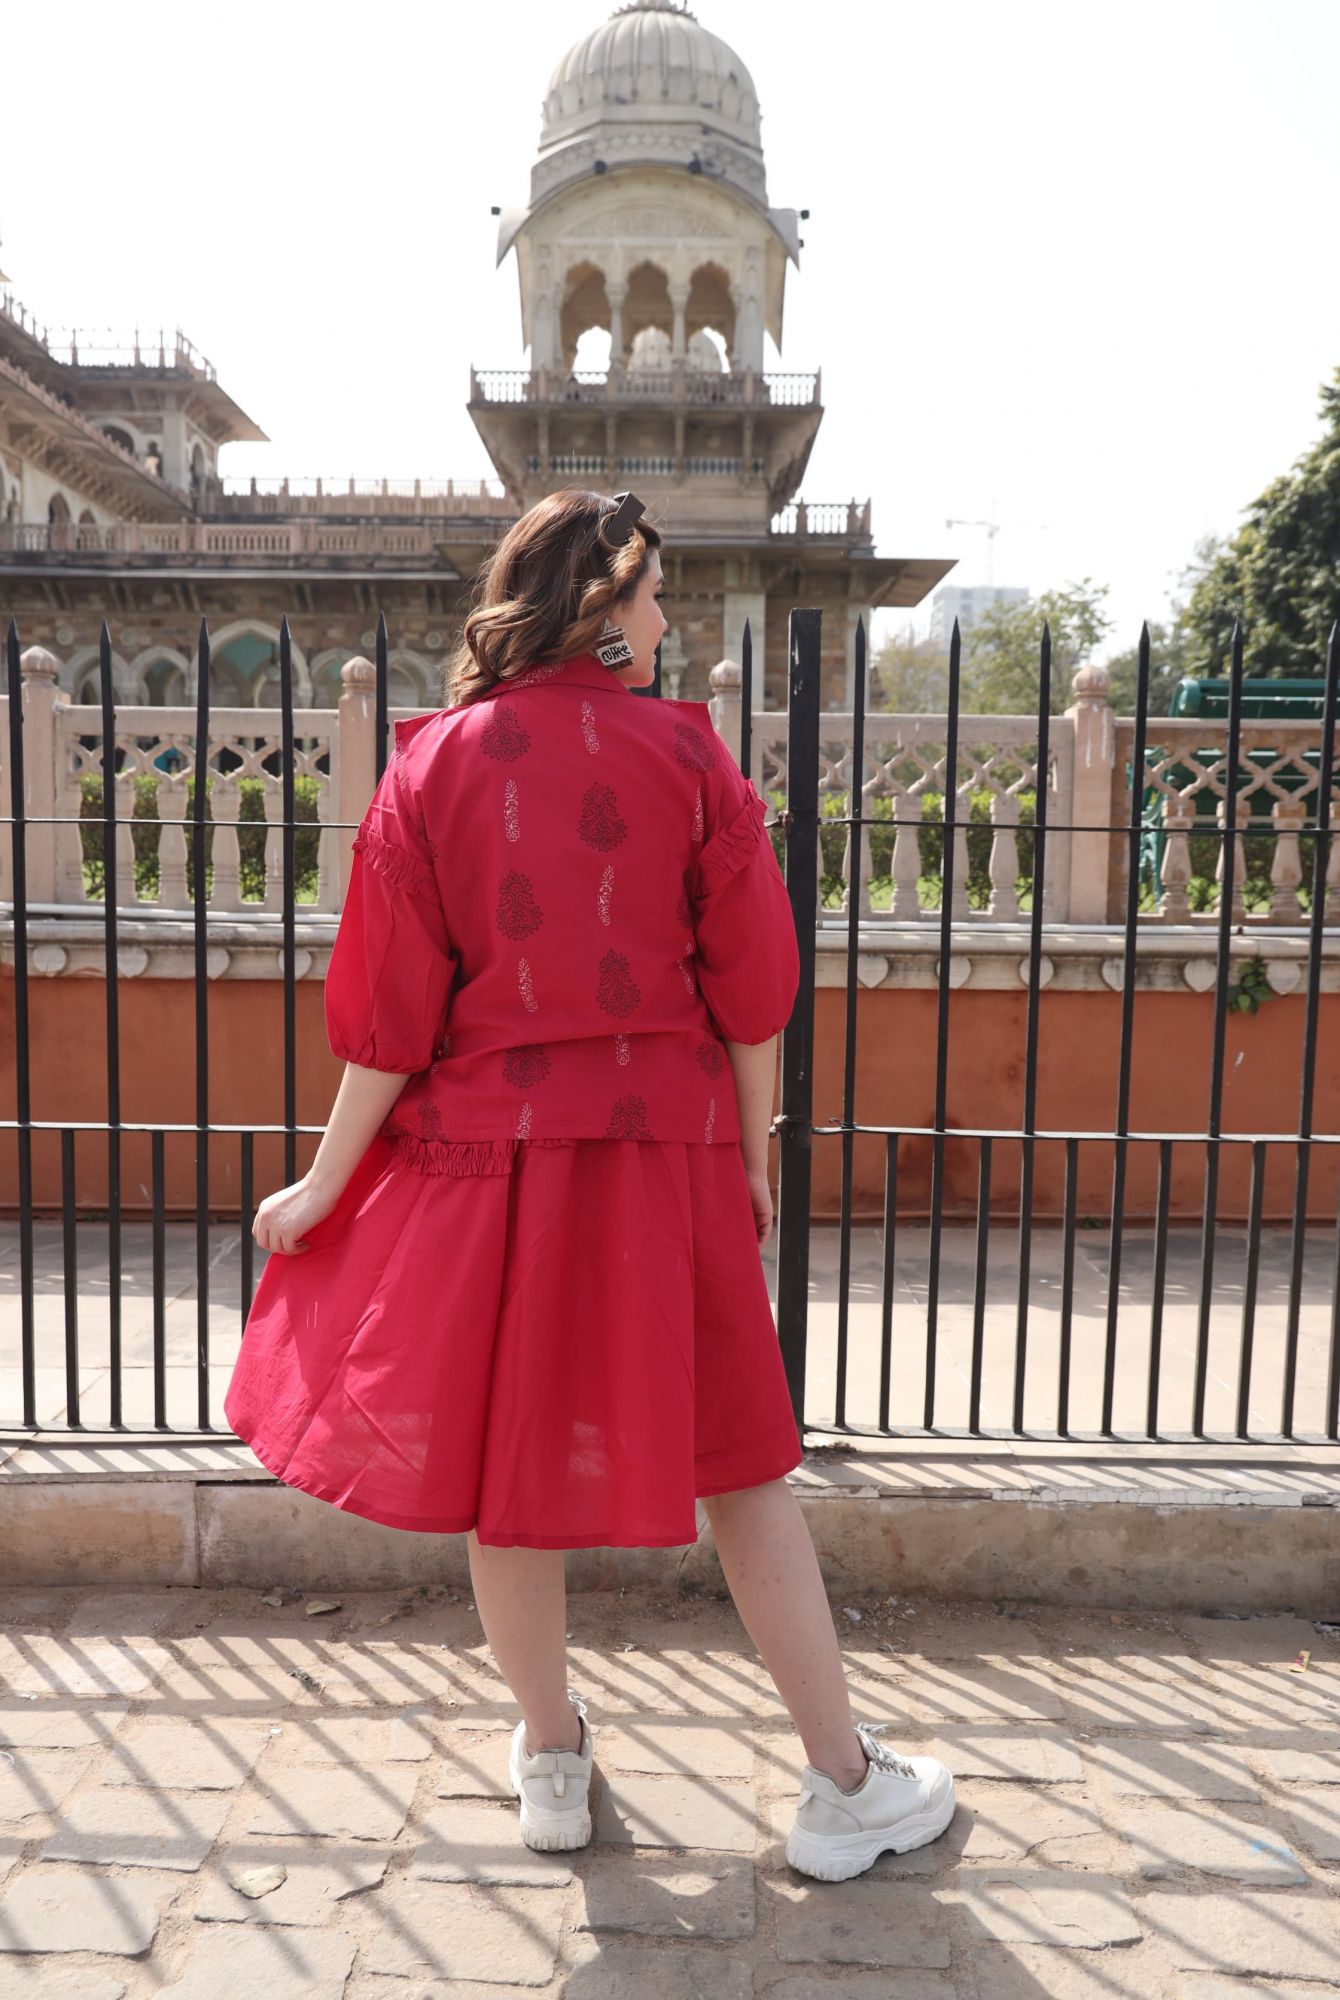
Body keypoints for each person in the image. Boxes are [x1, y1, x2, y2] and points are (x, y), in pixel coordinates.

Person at [223, 488, 955, 1881]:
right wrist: (748, 1157)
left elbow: (389, 1017)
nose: (668, 623)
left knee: (512, 1482)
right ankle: (845, 1787)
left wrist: (323, 1188)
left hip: (487, 1169)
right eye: (654, 598)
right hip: (659, 1156)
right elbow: (753, 998)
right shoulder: (687, 757)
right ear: (603, 605)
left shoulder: (432, 766)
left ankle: (553, 1760)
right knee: (743, 1470)